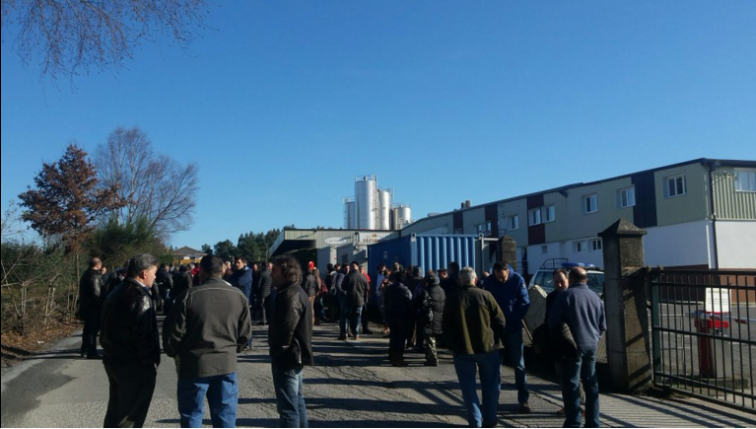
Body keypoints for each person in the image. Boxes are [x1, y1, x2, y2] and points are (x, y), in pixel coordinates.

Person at [163, 255, 252, 428]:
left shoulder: (189, 296)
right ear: (223, 270)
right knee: (225, 416)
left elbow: (173, 334)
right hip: (226, 363)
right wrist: (232, 350)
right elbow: (245, 334)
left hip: (194, 364)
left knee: (192, 415)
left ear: (201, 272)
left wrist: (175, 353)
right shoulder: (238, 296)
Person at [100, 254, 161, 428]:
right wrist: (149, 363)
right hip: (133, 364)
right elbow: (143, 336)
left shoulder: (117, 291)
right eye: (153, 272)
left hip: (114, 359)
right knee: (130, 417)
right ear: (143, 273)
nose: (155, 277)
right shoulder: (140, 296)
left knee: (116, 412)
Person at [443, 267, 507, 428]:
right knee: (491, 385)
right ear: (475, 280)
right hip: (488, 347)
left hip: (462, 349)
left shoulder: (452, 298)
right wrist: (496, 338)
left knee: (468, 387)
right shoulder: (486, 296)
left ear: (459, 280)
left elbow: (446, 326)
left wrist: (452, 344)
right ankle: (490, 419)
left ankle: (475, 421)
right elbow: (500, 321)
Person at [548, 267, 607, 428]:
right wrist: (594, 339)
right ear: (586, 280)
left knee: (571, 385)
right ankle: (594, 422)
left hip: (571, 348)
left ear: (571, 279)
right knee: (591, 384)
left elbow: (553, 322)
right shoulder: (596, 298)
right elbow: (602, 326)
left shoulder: (565, 296)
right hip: (591, 346)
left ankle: (574, 422)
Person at [269, 255, 314, 428]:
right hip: (294, 356)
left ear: (286, 273)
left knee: (288, 408)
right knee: (297, 402)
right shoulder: (293, 291)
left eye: (275, 271)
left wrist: (278, 351)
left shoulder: (290, 294)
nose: (271, 274)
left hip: (288, 358)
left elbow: (286, 329)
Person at [482, 261, 531, 412]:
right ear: (494, 273)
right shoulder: (489, 282)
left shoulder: (517, 280)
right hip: (495, 329)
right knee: (494, 367)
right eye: (498, 277)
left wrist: (512, 319)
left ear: (508, 272)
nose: (502, 280)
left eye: (504, 277)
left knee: (519, 365)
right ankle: (493, 401)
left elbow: (524, 302)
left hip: (513, 328)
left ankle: (523, 400)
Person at [382, 267, 412, 367]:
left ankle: (391, 354)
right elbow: (409, 302)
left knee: (393, 335)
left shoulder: (389, 289)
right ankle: (398, 358)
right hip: (402, 316)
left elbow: (385, 301)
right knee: (401, 337)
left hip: (391, 314)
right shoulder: (405, 290)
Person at [417, 271, 445, 366]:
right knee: (433, 338)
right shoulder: (441, 290)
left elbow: (423, 304)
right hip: (439, 317)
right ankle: (431, 357)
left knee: (430, 339)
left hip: (429, 317)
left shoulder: (427, 291)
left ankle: (432, 359)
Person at [79, 257, 104, 359]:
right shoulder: (94, 276)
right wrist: (101, 305)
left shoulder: (86, 274)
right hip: (93, 308)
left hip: (87, 306)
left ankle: (85, 349)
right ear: (97, 265)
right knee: (92, 330)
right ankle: (91, 352)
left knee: (88, 329)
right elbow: (96, 293)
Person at [342, 261, 368, 340]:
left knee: (346, 316)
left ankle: (345, 333)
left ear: (351, 267)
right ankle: (356, 334)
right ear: (357, 267)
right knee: (357, 317)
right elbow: (367, 288)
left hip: (349, 299)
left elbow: (343, 287)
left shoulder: (348, 276)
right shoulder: (363, 277)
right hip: (359, 300)